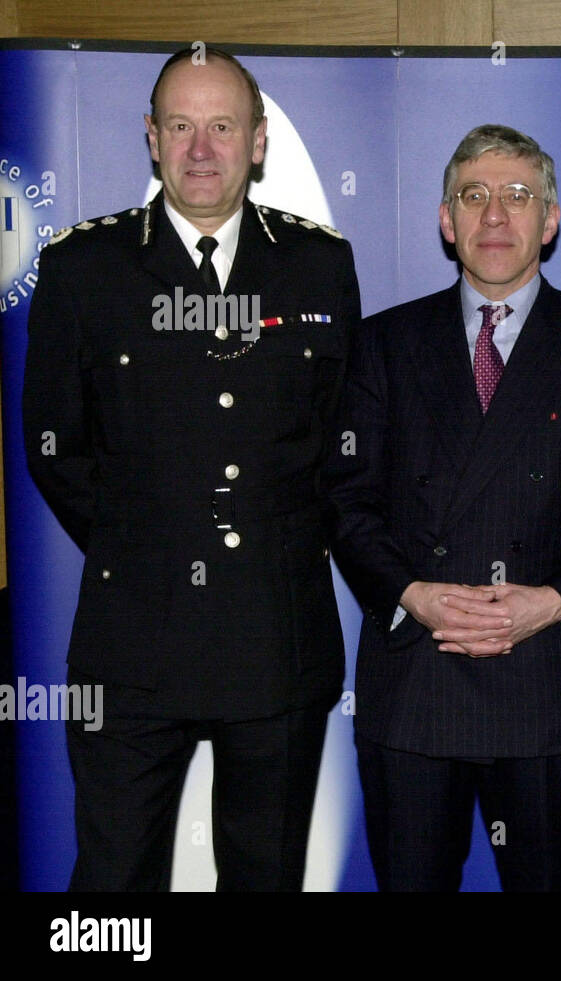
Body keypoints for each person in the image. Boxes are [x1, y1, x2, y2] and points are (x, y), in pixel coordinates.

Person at [23, 47, 361, 890]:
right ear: (150, 138)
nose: (200, 149)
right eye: (180, 126)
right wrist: (151, 543)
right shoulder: (82, 269)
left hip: (276, 638)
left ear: (257, 143)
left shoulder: (319, 263)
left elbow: (343, 441)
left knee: (265, 875)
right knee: (110, 886)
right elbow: (54, 446)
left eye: (221, 126)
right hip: (133, 639)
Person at [325, 124, 561, 892]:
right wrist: (413, 593)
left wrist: (552, 603)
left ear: (551, 219)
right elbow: (345, 499)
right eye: (474, 196)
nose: (495, 216)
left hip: (545, 688)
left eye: (517, 196)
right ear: (446, 220)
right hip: (415, 687)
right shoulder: (383, 344)